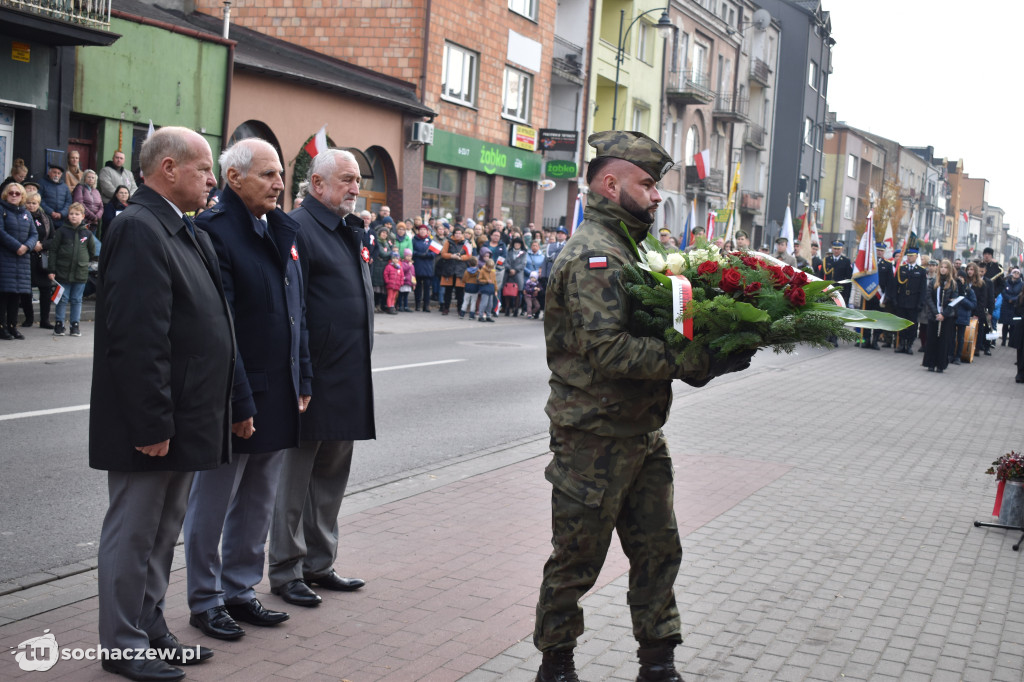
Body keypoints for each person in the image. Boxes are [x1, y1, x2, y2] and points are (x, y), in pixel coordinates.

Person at [534, 131, 752, 682]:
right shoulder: (595, 256)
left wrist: (717, 339)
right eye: (648, 184)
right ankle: (556, 665)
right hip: (594, 438)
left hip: (641, 433)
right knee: (577, 560)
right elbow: (608, 351)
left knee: (658, 552)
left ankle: (658, 663)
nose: (657, 196)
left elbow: (655, 327)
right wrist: (693, 358)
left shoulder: (631, 248)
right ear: (612, 183)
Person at [90, 126, 232, 681]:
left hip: (185, 417)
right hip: (151, 424)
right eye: (203, 168)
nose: (211, 179)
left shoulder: (183, 229)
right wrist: (151, 420)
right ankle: (123, 644)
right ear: (168, 169)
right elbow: (136, 337)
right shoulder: (138, 228)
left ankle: (149, 629)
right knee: (134, 534)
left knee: (162, 533)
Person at [183, 138, 309, 642]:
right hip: (238, 392)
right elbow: (223, 325)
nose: (280, 183)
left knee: (259, 499)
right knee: (213, 501)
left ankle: (239, 588)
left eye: (281, 174)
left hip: (278, 389)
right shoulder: (215, 232)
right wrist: (238, 399)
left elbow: (296, 312)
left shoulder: (278, 227)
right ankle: (205, 598)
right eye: (268, 174)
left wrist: (303, 375)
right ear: (233, 179)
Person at [269, 149, 374, 608]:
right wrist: (303, 376)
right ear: (317, 184)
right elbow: (296, 313)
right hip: (312, 377)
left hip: (348, 374)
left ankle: (318, 562)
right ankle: (286, 569)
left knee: (331, 473)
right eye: (347, 180)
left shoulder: (349, 228)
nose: (355, 188)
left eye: (357, 180)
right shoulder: (297, 227)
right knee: (294, 479)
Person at [46, 202, 96, 337]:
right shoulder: (62, 231)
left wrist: (83, 261)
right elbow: (54, 251)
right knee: (62, 299)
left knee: (77, 299)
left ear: (83, 216)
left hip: (80, 272)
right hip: (62, 272)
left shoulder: (87, 233)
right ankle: (59, 324)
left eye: (77, 214)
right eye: (71, 214)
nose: (74, 216)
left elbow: (91, 251)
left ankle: (75, 325)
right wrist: (51, 270)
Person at [0, 183, 37, 340]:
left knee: (16, 294)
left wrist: (26, 247)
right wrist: (17, 247)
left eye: (17, 193)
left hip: (21, 260)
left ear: (22, 196)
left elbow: (34, 234)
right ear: (5, 195)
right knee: (3, 295)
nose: (14, 195)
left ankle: (13, 326)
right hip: (5, 258)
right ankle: (2, 328)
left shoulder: (27, 214)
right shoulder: (1, 210)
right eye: (11, 193)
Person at [21, 190, 55, 328]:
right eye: (28, 203)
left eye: (34, 203)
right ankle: (29, 318)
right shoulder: (22, 216)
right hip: (27, 256)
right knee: (26, 290)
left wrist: (42, 245)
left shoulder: (46, 218)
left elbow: (54, 238)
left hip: (43, 257)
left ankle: (44, 320)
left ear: (38, 204)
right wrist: (31, 245)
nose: (31, 205)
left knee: (46, 289)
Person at [922, 259, 957, 373]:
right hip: (934, 315)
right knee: (931, 339)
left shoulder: (953, 284)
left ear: (949, 270)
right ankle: (930, 363)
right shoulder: (933, 282)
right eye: (941, 267)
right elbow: (928, 297)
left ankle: (941, 364)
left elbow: (954, 302)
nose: (943, 269)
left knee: (944, 340)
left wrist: (944, 314)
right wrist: (936, 312)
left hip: (946, 317)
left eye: (946, 267)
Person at [893, 248, 927, 354]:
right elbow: (896, 285)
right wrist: (895, 299)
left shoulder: (921, 270)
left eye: (912, 255)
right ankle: (901, 343)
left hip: (914, 302)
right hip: (902, 301)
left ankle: (909, 344)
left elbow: (923, 289)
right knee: (902, 323)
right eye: (908, 255)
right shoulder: (901, 268)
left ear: (916, 256)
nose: (909, 257)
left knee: (912, 325)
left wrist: (920, 303)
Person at [438, 225, 471, 316]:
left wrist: (461, 257)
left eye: (460, 233)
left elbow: (469, 255)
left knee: (460, 292)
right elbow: (443, 254)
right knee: (448, 291)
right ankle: (446, 308)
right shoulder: (448, 242)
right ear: (453, 234)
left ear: (462, 234)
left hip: (461, 269)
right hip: (449, 268)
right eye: (456, 233)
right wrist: (452, 256)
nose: (458, 235)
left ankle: (460, 309)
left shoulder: (466, 243)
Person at [966, 261, 994, 358]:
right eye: (968, 270)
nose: (970, 272)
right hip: (971, 309)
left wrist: (990, 311)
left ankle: (985, 347)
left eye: (972, 270)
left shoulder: (986, 283)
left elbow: (989, 298)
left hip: (982, 310)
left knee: (985, 329)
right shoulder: (967, 282)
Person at [951, 270, 976, 366]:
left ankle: (958, 356)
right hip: (953, 316)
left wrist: (962, 299)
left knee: (960, 338)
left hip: (963, 316)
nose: (959, 279)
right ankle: (950, 354)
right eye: (958, 277)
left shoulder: (969, 290)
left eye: (961, 277)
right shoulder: (953, 288)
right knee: (952, 337)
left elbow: (973, 305)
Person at [412, 223, 435, 311]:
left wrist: (427, 255)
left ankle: (426, 305)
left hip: (428, 267)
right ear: (418, 231)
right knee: (417, 288)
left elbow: (434, 253)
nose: (422, 231)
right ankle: (417, 305)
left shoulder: (430, 241)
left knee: (427, 288)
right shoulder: (414, 240)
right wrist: (419, 254)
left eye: (424, 230)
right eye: (421, 230)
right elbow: (412, 251)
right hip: (418, 265)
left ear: (427, 231)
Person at [823, 240, 853, 304]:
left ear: (842, 249)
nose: (836, 251)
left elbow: (848, 280)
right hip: (828, 290)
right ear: (832, 249)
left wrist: (847, 296)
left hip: (840, 291)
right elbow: (821, 276)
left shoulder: (846, 261)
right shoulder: (826, 260)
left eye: (838, 249)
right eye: (834, 248)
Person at [505, 235, 527, 316]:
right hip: (509, 273)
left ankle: (516, 310)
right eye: (515, 243)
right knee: (507, 291)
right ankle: (507, 309)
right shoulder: (509, 252)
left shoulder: (524, 253)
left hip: (518, 274)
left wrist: (515, 270)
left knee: (518, 292)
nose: (517, 245)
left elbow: (523, 264)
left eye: (518, 244)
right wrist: (510, 269)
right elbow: (506, 262)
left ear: (521, 245)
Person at [1000, 268, 1023, 346]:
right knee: (1005, 324)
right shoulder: (1006, 282)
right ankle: (1003, 340)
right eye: (1014, 272)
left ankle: (1010, 341)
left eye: (1017, 273)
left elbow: (1020, 294)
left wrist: (1013, 299)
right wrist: (1008, 298)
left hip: (1015, 306)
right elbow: (1003, 291)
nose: (1016, 274)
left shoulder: (1021, 284)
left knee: (1013, 325)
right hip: (1006, 305)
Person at [476, 256, 496, 322]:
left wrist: (496, 290)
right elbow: (479, 280)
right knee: (484, 303)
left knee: (490, 304)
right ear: (486, 265)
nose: (490, 269)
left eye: (491, 268)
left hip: (491, 289)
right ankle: (481, 316)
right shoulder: (482, 271)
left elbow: (495, 281)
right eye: (489, 268)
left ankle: (488, 316)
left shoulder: (493, 272)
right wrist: (486, 281)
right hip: (485, 289)